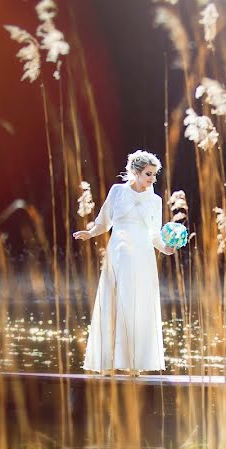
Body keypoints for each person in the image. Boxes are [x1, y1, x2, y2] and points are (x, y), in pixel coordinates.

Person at [72, 150, 176, 374]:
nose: (152, 179)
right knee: (113, 302)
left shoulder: (155, 201)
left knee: (137, 304)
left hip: (142, 257)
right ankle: (108, 362)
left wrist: (165, 249)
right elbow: (103, 222)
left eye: (154, 175)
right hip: (118, 254)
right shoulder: (117, 191)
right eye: (149, 174)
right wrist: (89, 234)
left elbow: (154, 235)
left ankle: (134, 364)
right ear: (136, 172)